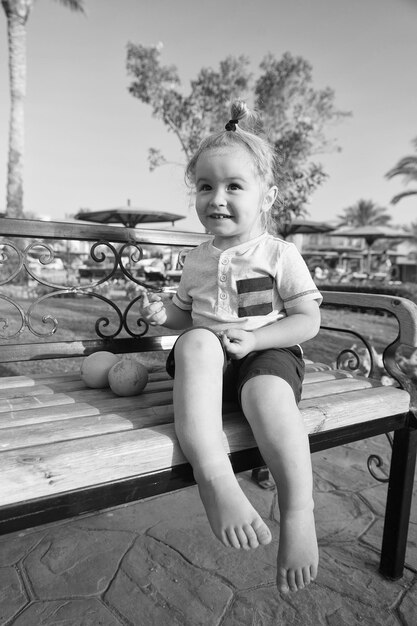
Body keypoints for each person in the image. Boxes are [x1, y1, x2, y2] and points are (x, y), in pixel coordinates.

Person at [140, 100, 322, 594]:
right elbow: (185, 311)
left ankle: (298, 513)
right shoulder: (197, 258)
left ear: (268, 196)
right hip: (207, 371)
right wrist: (164, 314)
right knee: (196, 339)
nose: (216, 198)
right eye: (205, 186)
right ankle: (216, 480)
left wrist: (260, 338)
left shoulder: (280, 254)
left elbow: (308, 319)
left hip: (266, 356)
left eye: (233, 186)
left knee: (267, 396)